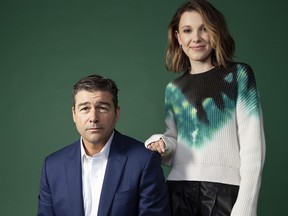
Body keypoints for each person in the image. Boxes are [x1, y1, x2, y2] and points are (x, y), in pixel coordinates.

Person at [145, 0, 266, 215]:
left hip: (225, 192)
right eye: (187, 30)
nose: (196, 38)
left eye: (204, 29)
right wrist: (162, 142)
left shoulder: (238, 76)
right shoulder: (174, 88)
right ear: (178, 36)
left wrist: (246, 206)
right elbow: (175, 143)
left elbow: (253, 146)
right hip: (177, 190)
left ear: (215, 32)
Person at [37, 74, 171, 216]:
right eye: (85, 108)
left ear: (116, 113)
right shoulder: (52, 166)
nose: (93, 118)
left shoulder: (144, 161)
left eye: (102, 108)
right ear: (74, 114)